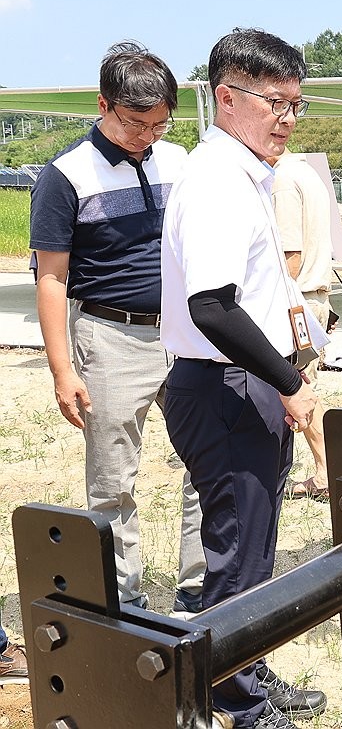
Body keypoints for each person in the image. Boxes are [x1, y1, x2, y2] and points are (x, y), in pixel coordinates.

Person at [161, 28, 327, 729]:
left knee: (254, 552)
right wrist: (288, 383)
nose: (286, 119)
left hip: (244, 383)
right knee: (236, 557)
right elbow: (212, 307)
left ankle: (246, 671)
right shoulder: (216, 180)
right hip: (224, 386)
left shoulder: (246, 172)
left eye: (295, 104)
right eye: (273, 103)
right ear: (226, 98)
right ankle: (240, 703)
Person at [28, 41, 205, 614]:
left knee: (205, 460)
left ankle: (198, 589)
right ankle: (122, 602)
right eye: (135, 123)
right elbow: (51, 278)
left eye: (159, 123)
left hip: (185, 333)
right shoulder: (65, 176)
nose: (147, 136)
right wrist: (62, 369)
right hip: (110, 336)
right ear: (102, 104)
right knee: (113, 478)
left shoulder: (178, 160)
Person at [270, 149, 333, 501]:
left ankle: (325, 472)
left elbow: (288, 257)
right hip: (310, 298)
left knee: (297, 388)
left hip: (295, 300)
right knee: (302, 388)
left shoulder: (282, 180)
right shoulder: (308, 174)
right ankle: (325, 469)